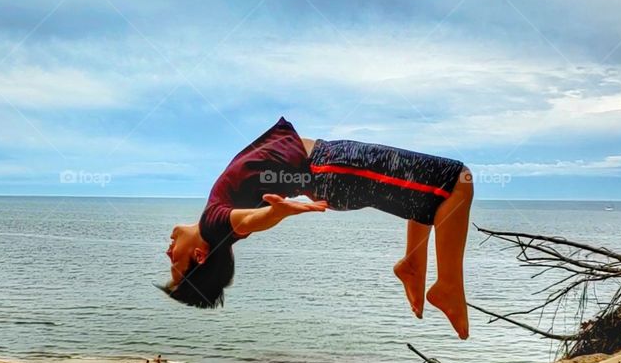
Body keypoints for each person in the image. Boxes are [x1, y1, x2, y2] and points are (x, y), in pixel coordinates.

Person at [162, 117, 473, 339]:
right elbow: (250, 220)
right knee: (458, 180)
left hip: (330, 172)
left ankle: (413, 265)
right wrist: (278, 212)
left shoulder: (219, 224)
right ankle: (447, 286)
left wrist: (276, 211)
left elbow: (245, 223)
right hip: (330, 168)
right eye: (174, 263)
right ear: (200, 256)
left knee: (428, 197)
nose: (168, 251)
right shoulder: (213, 223)